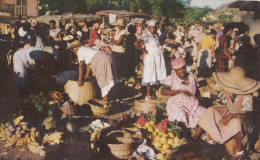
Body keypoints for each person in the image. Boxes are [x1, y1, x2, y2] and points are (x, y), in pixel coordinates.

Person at [193, 67, 260, 159]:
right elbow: (228, 105)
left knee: (236, 122)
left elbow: (248, 115)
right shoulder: (230, 93)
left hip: (243, 121)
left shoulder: (246, 96)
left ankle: (240, 151)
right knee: (211, 110)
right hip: (230, 115)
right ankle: (207, 138)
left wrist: (232, 115)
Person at [161, 58, 206, 128]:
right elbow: (163, 91)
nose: (181, 71)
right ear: (175, 70)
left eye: (183, 68)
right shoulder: (171, 78)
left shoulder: (192, 76)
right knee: (181, 117)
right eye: (178, 69)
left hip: (193, 104)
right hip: (177, 104)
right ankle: (183, 134)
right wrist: (179, 91)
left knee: (205, 114)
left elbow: (197, 90)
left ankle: (195, 137)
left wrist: (200, 100)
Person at [134, 20, 166, 101]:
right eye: (152, 28)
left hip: (157, 56)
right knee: (150, 74)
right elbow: (136, 43)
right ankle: (148, 95)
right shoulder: (146, 35)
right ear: (148, 28)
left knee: (156, 74)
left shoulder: (155, 35)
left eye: (154, 28)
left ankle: (152, 93)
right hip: (151, 57)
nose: (153, 29)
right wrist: (143, 51)